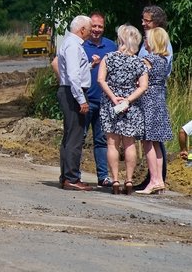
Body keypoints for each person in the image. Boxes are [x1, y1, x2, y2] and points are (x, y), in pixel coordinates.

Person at [97, 24, 148, 195]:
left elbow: (101, 80)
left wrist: (113, 97)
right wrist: (128, 99)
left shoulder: (108, 58)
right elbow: (143, 86)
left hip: (111, 104)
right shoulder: (139, 62)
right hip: (130, 106)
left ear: (120, 39)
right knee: (129, 144)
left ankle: (115, 180)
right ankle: (129, 180)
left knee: (112, 143)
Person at [136, 5, 172, 190]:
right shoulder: (162, 58)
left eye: (147, 20)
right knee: (155, 140)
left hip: (149, 100)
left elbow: (138, 75)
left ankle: (155, 179)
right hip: (157, 98)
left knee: (149, 140)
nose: (143, 23)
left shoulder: (150, 59)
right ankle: (157, 180)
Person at [55, 15, 93, 191]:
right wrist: (81, 99)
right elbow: (73, 75)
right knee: (75, 137)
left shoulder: (71, 44)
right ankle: (71, 177)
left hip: (70, 91)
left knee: (70, 135)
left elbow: (76, 71)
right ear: (82, 29)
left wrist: (90, 66)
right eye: (90, 29)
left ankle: (67, 176)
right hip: (72, 93)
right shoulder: (73, 45)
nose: (91, 32)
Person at [82, 11, 117, 187]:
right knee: (79, 138)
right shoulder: (81, 44)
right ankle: (73, 175)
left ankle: (103, 176)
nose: (96, 29)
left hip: (104, 101)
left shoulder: (111, 46)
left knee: (102, 140)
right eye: (94, 26)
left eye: (100, 26)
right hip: (85, 100)